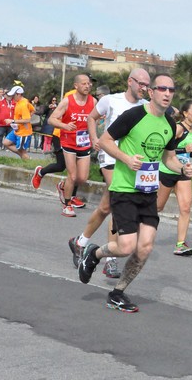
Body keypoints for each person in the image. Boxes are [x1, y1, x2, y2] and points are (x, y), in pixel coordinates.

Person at [77, 74, 192, 313]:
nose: (167, 93)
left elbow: (169, 158)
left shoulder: (170, 125)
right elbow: (105, 140)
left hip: (148, 191)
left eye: (171, 90)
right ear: (151, 92)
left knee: (145, 247)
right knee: (125, 247)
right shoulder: (134, 115)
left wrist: (183, 168)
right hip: (124, 189)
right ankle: (95, 253)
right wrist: (126, 158)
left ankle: (117, 292)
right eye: (162, 88)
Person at [65, 69, 149, 277]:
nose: (144, 89)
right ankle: (110, 258)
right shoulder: (111, 100)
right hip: (110, 157)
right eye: (141, 84)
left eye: (147, 86)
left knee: (105, 207)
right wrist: (95, 138)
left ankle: (80, 241)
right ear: (130, 81)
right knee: (118, 201)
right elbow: (91, 118)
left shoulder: (144, 107)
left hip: (129, 161)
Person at [157, 99, 192, 256]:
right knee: (157, 207)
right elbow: (165, 150)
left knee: (185, 208)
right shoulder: (178, 128)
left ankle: (180, 245)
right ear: (185, 113)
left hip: (183, 173)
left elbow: (188, 151)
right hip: (166, 171)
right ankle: (136, 229)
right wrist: (184, 149)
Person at [48, 74, 96, 217]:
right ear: (76, 86)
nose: (87, 86)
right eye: (84, 84)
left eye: (89, 84)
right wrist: (64, 125)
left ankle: (63, 186)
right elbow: (51, 119)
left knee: (82, 178)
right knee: (73, 176)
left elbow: (96, 118)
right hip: (68, 141)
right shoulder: (67, 101)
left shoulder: (93, 101)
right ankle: (67, 205)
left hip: (84, 142)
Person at [2, 86, 34, 160]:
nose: (12, 97)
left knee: (22, 150)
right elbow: (33, 110)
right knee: (6, 143)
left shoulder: (23, 104)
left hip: (24, 132)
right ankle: (24, 157)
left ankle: (28, 161)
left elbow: (27, 119)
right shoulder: (23, 101)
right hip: (18, 129)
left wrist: (12, 121)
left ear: (19, 94)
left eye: (13, 95)